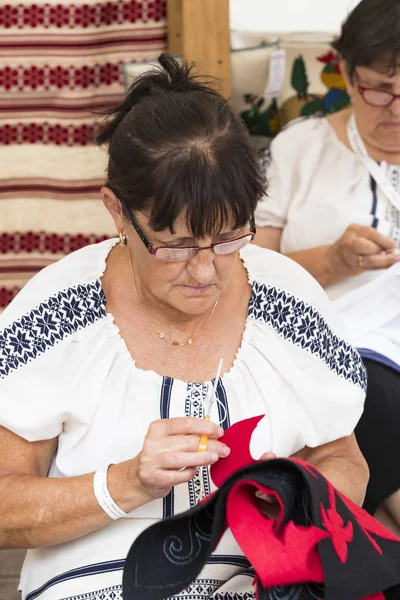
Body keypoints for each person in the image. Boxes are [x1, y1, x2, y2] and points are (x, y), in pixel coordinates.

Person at [0, 55, 368, 600]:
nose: (203, 271)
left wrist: (301, 499)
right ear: (118, 212)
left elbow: (343, 459)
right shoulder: (57, 314)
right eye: (174, 246)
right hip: (99, 580)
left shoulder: (287, 300)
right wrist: (127, 482)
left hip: (264, 580)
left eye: (227, 239)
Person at [255, 0, 400, 537]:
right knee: (362, 391)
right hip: (326, 347)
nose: (395, 109)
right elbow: (246, 276)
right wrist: (332, 261)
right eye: (380, 88)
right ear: (344, 70)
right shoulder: (302, 149)